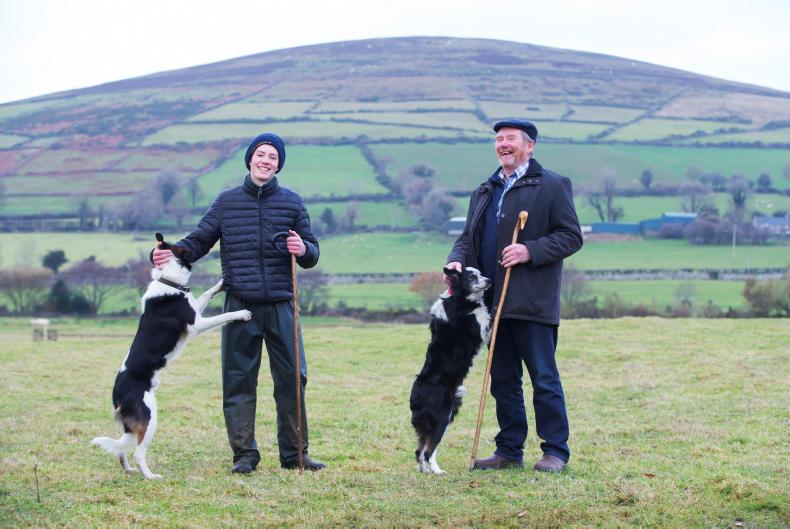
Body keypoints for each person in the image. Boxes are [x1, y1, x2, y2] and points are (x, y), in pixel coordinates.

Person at [152, 132, 326, 473]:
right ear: (250, 160)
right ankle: (245, 454)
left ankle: (295, 455)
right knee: (238, 380)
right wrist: (169, 253)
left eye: (273, 157)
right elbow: (198, 242)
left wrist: (303, 249)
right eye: (261, 154)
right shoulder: (226, 203)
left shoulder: (292, 203)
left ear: (279, 165)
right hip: (238, 305)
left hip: (282, 304)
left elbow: (312, 253)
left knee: (293, 378)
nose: (266, 161)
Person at [446, 119, 583, 473]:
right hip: (492, 302)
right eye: (499, 139)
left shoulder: (552, 184)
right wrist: (456, 261)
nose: (503, 144)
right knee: (503, 380)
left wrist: (529, 250)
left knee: (544, 378)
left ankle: (555, 451)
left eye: (511, 139)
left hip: (532, 301)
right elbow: (467, 237)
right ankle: (508, 450)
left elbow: (571, 236)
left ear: (530, 146)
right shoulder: (485, 190)